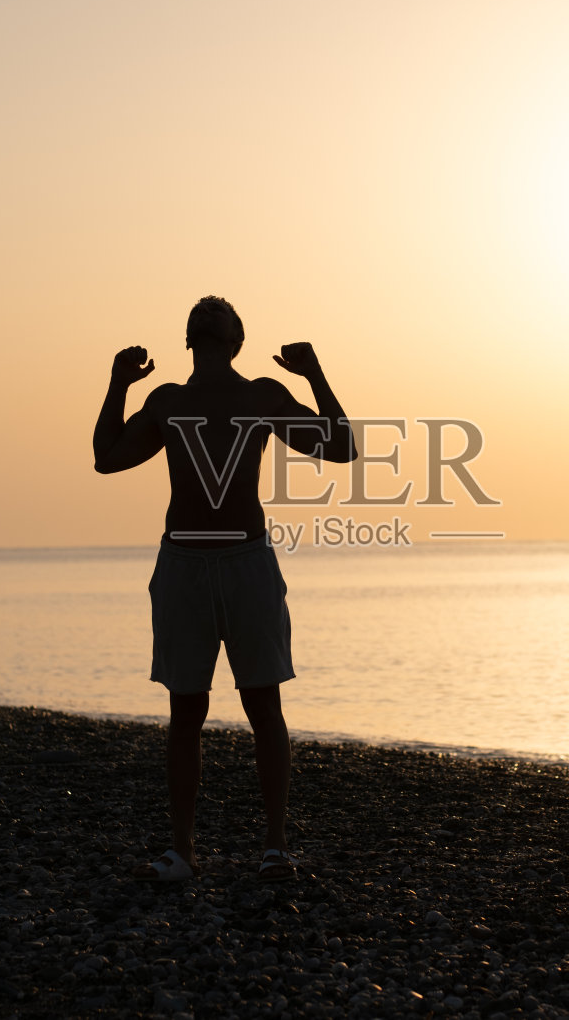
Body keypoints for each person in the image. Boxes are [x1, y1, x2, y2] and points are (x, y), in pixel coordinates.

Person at [92, 295, 355, 881]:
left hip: (246, 562)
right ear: (192, 339)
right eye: (202, 312)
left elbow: (341, 448)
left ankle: (275, 847)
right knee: (186, 709)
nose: (209, 312)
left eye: (220, 312)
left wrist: (314, 374)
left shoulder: (261, 395)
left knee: (264, 704)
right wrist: (118, 385)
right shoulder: (167, 401)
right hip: (183, 564)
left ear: (235, 341)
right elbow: (106, 459)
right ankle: (182, 852)